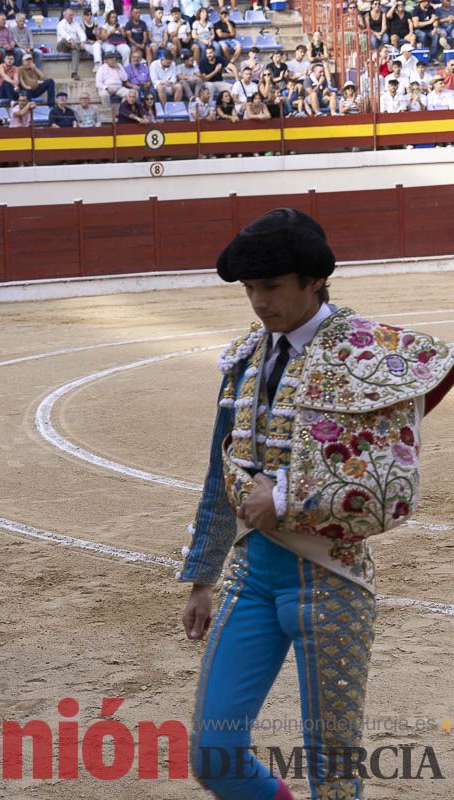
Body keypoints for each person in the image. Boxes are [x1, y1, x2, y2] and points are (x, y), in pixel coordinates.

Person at [181, 208, 454, 800]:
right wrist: (202, 576)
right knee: (213, 755)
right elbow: (217, 472)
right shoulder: (245, 360)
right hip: (252, 577)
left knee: (334, 776)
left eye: (271, 286)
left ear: (315, 281)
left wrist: (284, 496)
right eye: (250, 288)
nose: (257, 301)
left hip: (333, 579)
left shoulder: (366, 355)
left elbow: (391, 484)